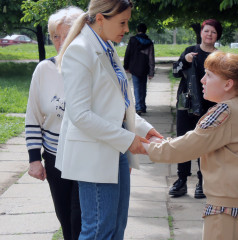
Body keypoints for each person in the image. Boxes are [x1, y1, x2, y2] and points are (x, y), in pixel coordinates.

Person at [54, 1, 162, 239]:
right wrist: (128, 139)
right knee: (99, 230)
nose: (126, 28)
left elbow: (117, 103)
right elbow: (80, 115)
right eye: (122, 22)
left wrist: (145, 128)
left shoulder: (107, 47)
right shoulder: (80, 49)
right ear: (101, 18)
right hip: (94, 154)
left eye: (128, 22)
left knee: (116, 226)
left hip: (115, 147)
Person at [145, 51, 238, 240]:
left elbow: (188, 146)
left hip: (227, 203)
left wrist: (149, 146)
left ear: (228, 84)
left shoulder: (224, 112)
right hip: (237, 198)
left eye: (208, 75)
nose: (202, 80)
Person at [25, 6, 83, 240]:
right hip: (54, 156)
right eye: (55, 36)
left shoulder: (93, 68)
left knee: (81, 218)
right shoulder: (44, 70)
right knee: (65, 218)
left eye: (66, 35)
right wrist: (34, 160)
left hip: (86, 156)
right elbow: (33, 117)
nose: (60, 42)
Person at [170, 19, 223, 198]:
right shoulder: (190, 51)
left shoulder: (219, 57)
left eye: (213, 32)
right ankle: (181, 180)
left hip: (210, 105)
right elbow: (175, 72)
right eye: (207, 31)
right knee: (183, 141)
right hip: (187, 104)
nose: (209, 34)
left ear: (217, 36)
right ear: (201, 32)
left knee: (205, 144)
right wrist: (185, 61)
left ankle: (203, 182)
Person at [124, 23, 155, 115]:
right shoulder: (149, 42)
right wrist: (151, 72)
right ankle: (143, 106)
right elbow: (151, 57)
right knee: (143, 87)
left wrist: (126, 66)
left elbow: (128, 53)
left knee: (137, 88)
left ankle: (138, 107)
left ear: (137, 30)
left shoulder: (133, 40)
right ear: (146, 30)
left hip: (134, 67)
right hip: (144, 67)